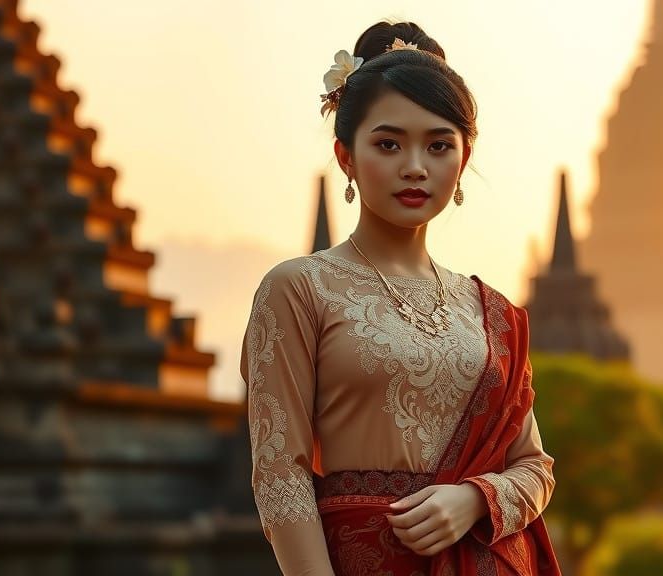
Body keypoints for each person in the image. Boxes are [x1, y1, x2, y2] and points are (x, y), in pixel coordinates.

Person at [240, 21, 560, 576]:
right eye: (388, 144)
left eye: (438, 146)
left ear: (463, 159)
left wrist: (474, 500)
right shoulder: (299, 289)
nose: (415, 166)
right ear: (346, 156)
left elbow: (534, 468)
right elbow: (280, 474)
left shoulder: (492, 314)